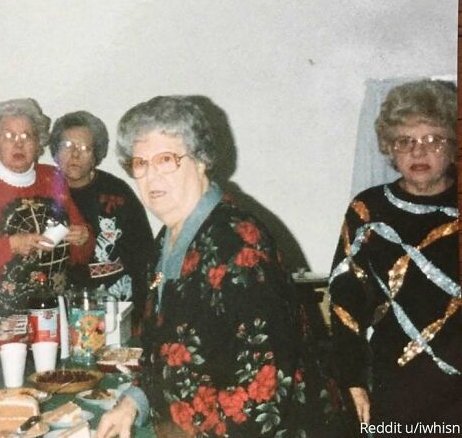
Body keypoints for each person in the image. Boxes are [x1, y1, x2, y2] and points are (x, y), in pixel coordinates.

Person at [98, 96, 345, 438]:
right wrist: (133, 403)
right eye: (140, 162)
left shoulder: (238, 241)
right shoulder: (168, 238)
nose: (150, 176)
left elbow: (265, 387)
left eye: (165, 160)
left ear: (200, 160)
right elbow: (164, 349)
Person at [328, 79, 460, 428]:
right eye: (405, 141)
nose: (418, 152)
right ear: (389, 149)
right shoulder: (368, 211)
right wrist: (352, 380)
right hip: (394, 387)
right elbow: (346, 302)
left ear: (454, 144)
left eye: (432, 139)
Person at [0, 98, 93, 388]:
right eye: (9, 136)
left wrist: (83, 236)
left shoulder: (53, 178)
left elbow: (80, 256)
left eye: (27, 136)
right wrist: (10, 246)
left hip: (47, 332)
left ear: (38, 143)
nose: (19, 144)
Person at [49, 111, 154, 324]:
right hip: (62, 310)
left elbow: (144, 253)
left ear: (96, 154)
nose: (75, 155)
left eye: (85, 148)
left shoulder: (117, 192)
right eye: (68, 146)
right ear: (55, 151)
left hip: (116, 306)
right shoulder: (43, 190)